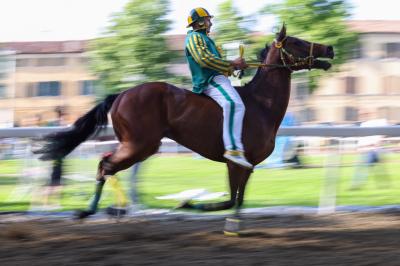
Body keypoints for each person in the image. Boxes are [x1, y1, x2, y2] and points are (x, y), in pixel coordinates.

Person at [185, 7, 252, 169]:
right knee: (234, 104)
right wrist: (233, 64)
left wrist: (235, 67)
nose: (210, 22)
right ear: (200, 22)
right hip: (209, 80)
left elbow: (218, 65)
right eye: (208, 20)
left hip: (217, 78)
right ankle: (233, 150)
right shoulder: (194, 37)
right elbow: (204, 60)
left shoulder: (207, 39)